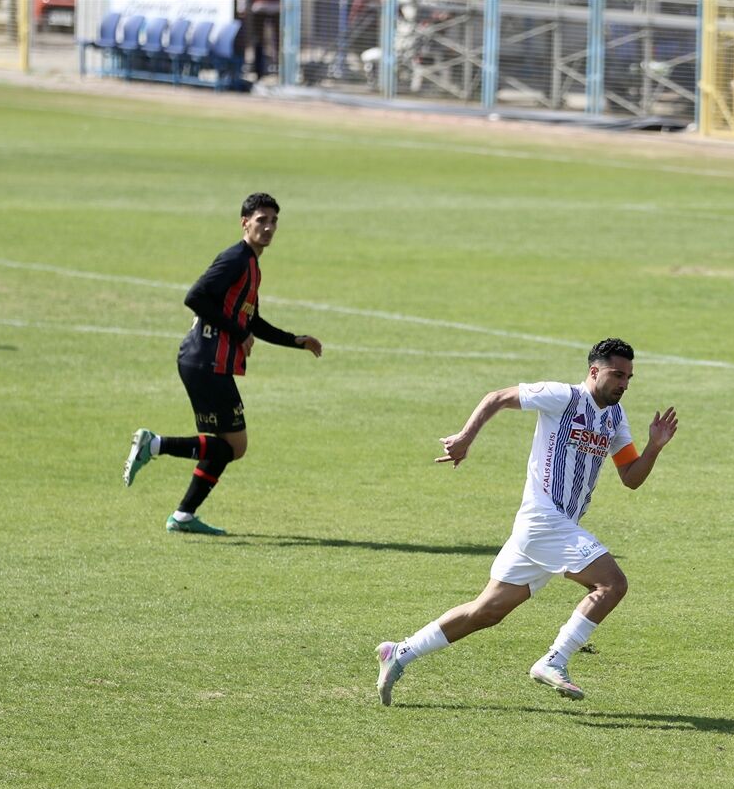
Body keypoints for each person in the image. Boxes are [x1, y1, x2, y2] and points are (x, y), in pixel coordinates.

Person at [375, 338, 678, 705]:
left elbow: (630, 477)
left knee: (486, 611)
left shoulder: (615, 418)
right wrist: (466, 437)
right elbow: (497, 397)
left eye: (629, 377)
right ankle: (555, 660)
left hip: (547, 528)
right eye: (617, 374)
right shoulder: (562, 397)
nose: (624, 383)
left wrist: (654, 448)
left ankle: (399, 652)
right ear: (594, 371)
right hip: (544, 519)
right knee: (612, 584)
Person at [121, 193, 323, 535]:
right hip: (204, 361)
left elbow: (251, 319)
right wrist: (236, 331)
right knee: (234, 446)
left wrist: (295, 341)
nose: (269, 227)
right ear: (245, 222)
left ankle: (183, 515)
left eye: (274, 221)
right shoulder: (235, 259)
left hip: (205, 364)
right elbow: (195, 296)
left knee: (227, 448)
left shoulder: (251, 265)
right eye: (262, 220)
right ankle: (153, 445)